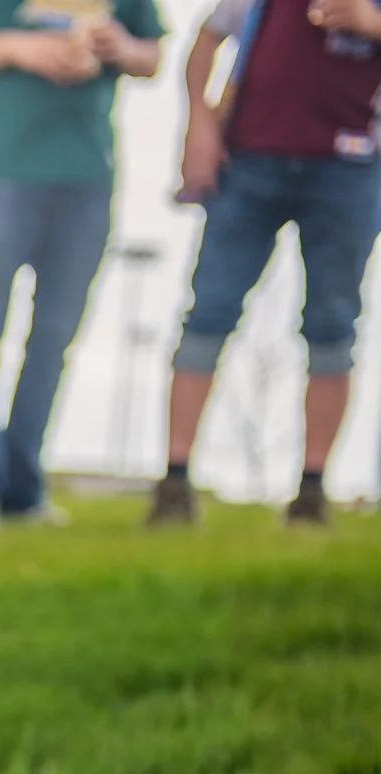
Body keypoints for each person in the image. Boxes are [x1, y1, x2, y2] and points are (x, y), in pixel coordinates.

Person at [0, 1, 163, 530]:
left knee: (54, 339)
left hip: (85, 178)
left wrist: (119, 47)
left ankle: (22, 492)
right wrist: (17, 47)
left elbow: (152, 55)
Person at [150, 0, 381, 527]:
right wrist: (200, 128)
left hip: (351, 168)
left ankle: (311, 494)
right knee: (208, 314)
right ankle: (174, 483)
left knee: (333, 326)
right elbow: (206, 41)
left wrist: (370, 24)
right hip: (248, 161)